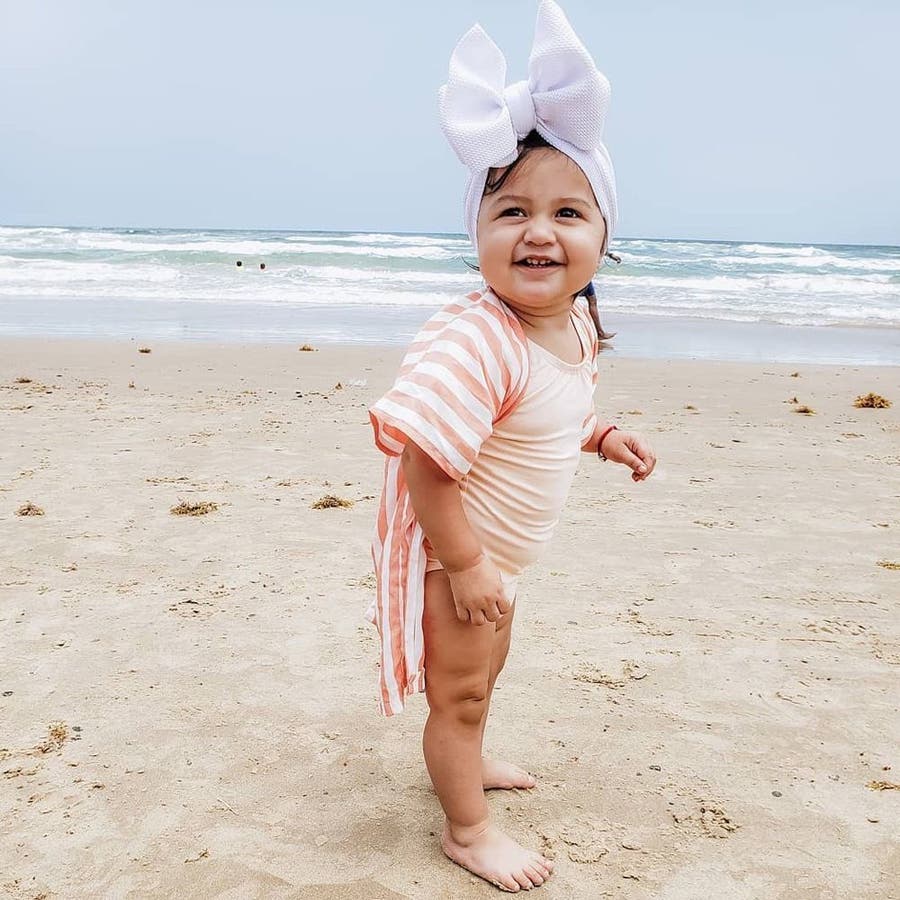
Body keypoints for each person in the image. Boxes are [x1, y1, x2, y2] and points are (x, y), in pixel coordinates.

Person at [367, 2, 656, 892]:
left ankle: (470, 753)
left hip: (500, 561)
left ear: (603, 235)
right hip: (457, 555)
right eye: (511, 211)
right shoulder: (476, 339)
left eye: (569, 211)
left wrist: (601, 435)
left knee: (488, 672)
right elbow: (425, 460)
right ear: (479, 231)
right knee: (458, 691)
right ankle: (467, 830)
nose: (539, 231)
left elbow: (549, 411)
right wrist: (464, 566)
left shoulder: (572, 325)